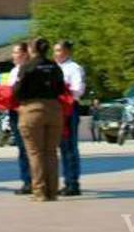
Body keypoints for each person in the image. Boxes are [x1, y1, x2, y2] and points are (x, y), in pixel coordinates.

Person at [14, 38, 66, 202]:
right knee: (51, 152)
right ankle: (52, 191)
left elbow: (17, 91)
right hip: (54, 109)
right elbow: (60, 88)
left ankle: (40, 192)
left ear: (31, 49)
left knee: (35, 153)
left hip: (32, 109)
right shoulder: (54, 66)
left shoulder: (27, 67)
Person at [54, 40, 85, 196]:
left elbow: (78, 90)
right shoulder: (55, 68)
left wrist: (63, 90)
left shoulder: (74, 68)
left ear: (67, 52)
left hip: (70, 108)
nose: (55, 54)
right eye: (54, 51)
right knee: (62, 147)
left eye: (58, 50)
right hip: (57, 109)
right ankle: (67, 181)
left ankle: (73, 183)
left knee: (70, 147)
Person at [7, 42, 32, 195]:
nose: (13, 56)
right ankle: (26, 180)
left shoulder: (29, 70)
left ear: (24, 54)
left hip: (25, 110)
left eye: (15, 53)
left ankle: (32, 180)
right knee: (21, 148)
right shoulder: (13, 71)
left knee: (29, 147)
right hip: (14, 111)